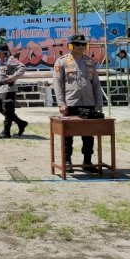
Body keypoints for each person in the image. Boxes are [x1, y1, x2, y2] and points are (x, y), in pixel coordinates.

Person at [52, 34, 104, 173]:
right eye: (78, 44)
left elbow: (96, 84)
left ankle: (87, 161)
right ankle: (67, 160)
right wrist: (61, 104)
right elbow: (57, 84)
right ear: (71, 45)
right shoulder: (62, 62)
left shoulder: (90, 62)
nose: (81, 47)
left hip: (88, 103)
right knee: (68, 135)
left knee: (88, 135)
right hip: (71, 103)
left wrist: (99, 103)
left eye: (83, 44)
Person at [0, 43, 28, 139]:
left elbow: (22, 67)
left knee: (7, 109)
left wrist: (13, 78)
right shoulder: (0, 61)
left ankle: (6, 132)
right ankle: (20, 123)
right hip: (0, 88)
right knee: (0, 108)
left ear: (3, 52)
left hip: (8, 89)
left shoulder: (10, 60)